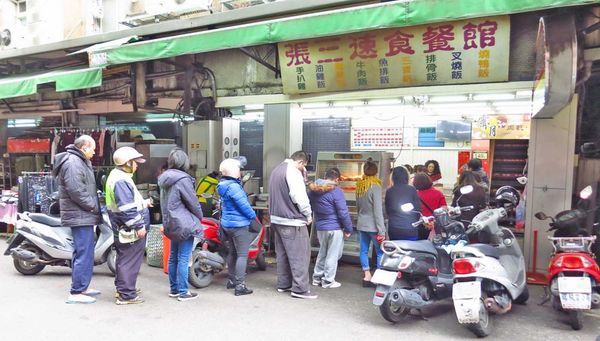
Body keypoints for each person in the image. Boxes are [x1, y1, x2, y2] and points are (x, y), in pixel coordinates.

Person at [53, 135, 102, 304]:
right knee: (83, 252)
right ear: (84, 148)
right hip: (80, 214)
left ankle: (83, 287)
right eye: (93, 148)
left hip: (83, 215)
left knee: (85, 252)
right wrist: (93, 206)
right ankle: (76, 292)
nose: (95, 152)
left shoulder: (79, 161)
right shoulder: (74, 163)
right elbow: (76, 191)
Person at [105, 146, 152, 305]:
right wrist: (139, 226)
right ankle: (127, 295)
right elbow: (126, 208)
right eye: (135, 162)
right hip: (128, 227)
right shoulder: (121, 180)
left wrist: (142, 203)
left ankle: (124, 288)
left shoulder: (117, 175)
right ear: (127, 163)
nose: (137, 165)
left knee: (124, 258)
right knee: (129, 260)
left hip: (121, 224)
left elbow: (127, 203)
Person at [268, 151, 316, 299]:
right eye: (304, 167)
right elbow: (299, 197)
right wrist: (308, 214)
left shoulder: (277, 169)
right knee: (300, 255)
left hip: (276, 219)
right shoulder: (293, 172)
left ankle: (284, 284)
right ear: (301, 163)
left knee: (282, 254)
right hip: (292, 221)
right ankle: (300, 289)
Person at [158, 148, 204, 301]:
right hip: (184, 224)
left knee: (173, 257)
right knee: (184, 258)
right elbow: (193, 203)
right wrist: (199, 217)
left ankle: (174, 289)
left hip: (170, 222)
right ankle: (184, 292)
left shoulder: (164, 179)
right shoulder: (183, 180)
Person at [218, 158, 257, 296]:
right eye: (239, 169)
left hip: (227, 224)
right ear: (235, 171)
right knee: (242, 255)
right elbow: (244, 206)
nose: (240, 172)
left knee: (233, 253)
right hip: (239, 225)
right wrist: (253, 215)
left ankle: (232, 280)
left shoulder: (223, 184)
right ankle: (240, 285)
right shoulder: (234, 187)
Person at [308, 168, 353, 289]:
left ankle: (317, 278)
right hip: (334, 227)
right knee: (333, 254)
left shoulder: (313, 190)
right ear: (337, 179)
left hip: (320, 227)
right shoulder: (336, 191)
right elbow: (343, 212)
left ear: (325, 176)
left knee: (323, 252)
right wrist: (348, 229)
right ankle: (328, 280)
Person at [355, 158, 385, 287]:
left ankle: (367, 276)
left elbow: (357, 206)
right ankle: (377, 278)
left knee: (363, 250)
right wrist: (382, 230)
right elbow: (378, 211)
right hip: (373, 225)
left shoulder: (360, 185)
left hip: (362, 223)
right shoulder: (375, 186)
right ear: (375, 172)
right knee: (379, 252)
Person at [385, 166, 421, 241]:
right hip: (410, 228)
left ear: (393, 177)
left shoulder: (389, 191)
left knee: (395, 250)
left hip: (394, 229)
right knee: (410, 251)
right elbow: (418, 210)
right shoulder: (412, 190)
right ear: (406, 177)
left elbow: (388, 211)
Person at [413, 172, 447, 240]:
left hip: (420, 225)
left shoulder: (414, 195)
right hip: (435, 225)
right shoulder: (438, 193)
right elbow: (444, 209)